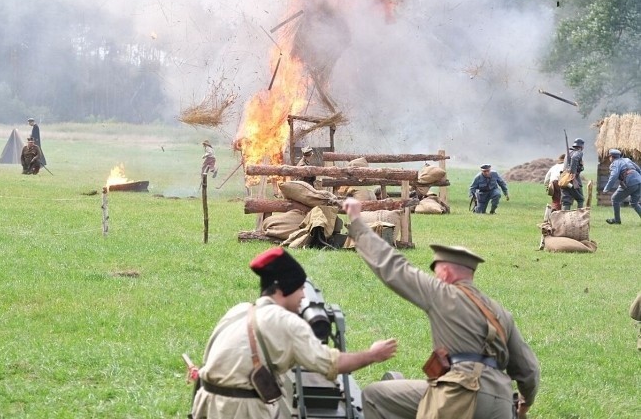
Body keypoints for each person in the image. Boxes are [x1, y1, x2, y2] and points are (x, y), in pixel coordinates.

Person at [342, 198, 540, 419]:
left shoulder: (442, 293)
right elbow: (529, 370)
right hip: (501, 403)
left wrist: (357, 223)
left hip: (459, 394)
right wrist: (524, 405)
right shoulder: (500, 312)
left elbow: (393, 267)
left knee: (374, 395)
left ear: (445, 273)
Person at [190, 247, 397, 419]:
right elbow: (331, 364)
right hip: (240, 410)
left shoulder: (240, 310)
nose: (302, 296)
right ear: (281, 290)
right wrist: (373, 354)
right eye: (299, 289)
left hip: (206, 402)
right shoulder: (286, 323)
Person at [602, 149, 641, 225]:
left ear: (611, 157)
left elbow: (614, 176)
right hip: (639, 181)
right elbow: (639, 169)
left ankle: (617, 220)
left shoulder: (614, 164)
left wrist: (606, 188)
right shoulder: (627, 159)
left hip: (629, 182)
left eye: (609, 157)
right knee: (634, 203)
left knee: (615, 199)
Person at [560, 138, 585, 210]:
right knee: (580, 199)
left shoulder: (569, 152)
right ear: (581, 146)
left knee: (566, 201)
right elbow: (574, 158)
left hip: (564, 179)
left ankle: (564, 219)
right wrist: (573, 173)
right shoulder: (579, 152)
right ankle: (579, 218)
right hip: (573, 179)